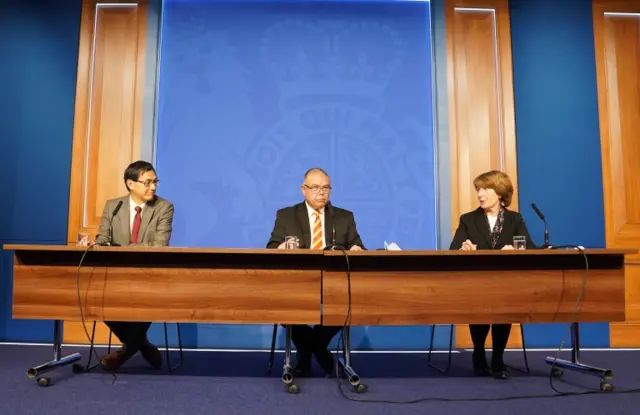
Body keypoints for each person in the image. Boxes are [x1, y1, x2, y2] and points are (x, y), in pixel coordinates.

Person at [266, 168, 365, 376]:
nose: (322, 193)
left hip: (333, 285)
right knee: (283, 302)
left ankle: (309, 350)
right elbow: (271, 247)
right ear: (304, 190)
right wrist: (281, 247)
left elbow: (357, 246)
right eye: (316, 188)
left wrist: (357, 249)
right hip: (296, 283)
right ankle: (318, 352)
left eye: (326, 188)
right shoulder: (286, 215)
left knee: (347, 301)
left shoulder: (343, 217)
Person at [449, 170, 535, 380]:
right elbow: (453, 248)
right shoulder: (468, 219)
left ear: (499, 192)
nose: (480, 194)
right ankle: (479, 354)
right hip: (477, 280)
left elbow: (530, 248)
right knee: (479, 306)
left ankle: (497, 359)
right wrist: (464, 248)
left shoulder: (514, 219)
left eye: (485, 189)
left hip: (506, 281)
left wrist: (516, 250)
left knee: (503, 309)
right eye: (478, 189)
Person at [94, 160, 175, 371]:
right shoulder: (114, 206)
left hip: (150, 274)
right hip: (116, 274)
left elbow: (159, 245)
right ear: (131, 184)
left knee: (148, 297)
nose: (154, 187)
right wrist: (94, 242)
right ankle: (142, 344)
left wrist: (123, 247)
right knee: (95, 299)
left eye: (155, 182)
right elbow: (103, 238)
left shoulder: (163, 207)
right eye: (147, 182)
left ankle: (123, 354)